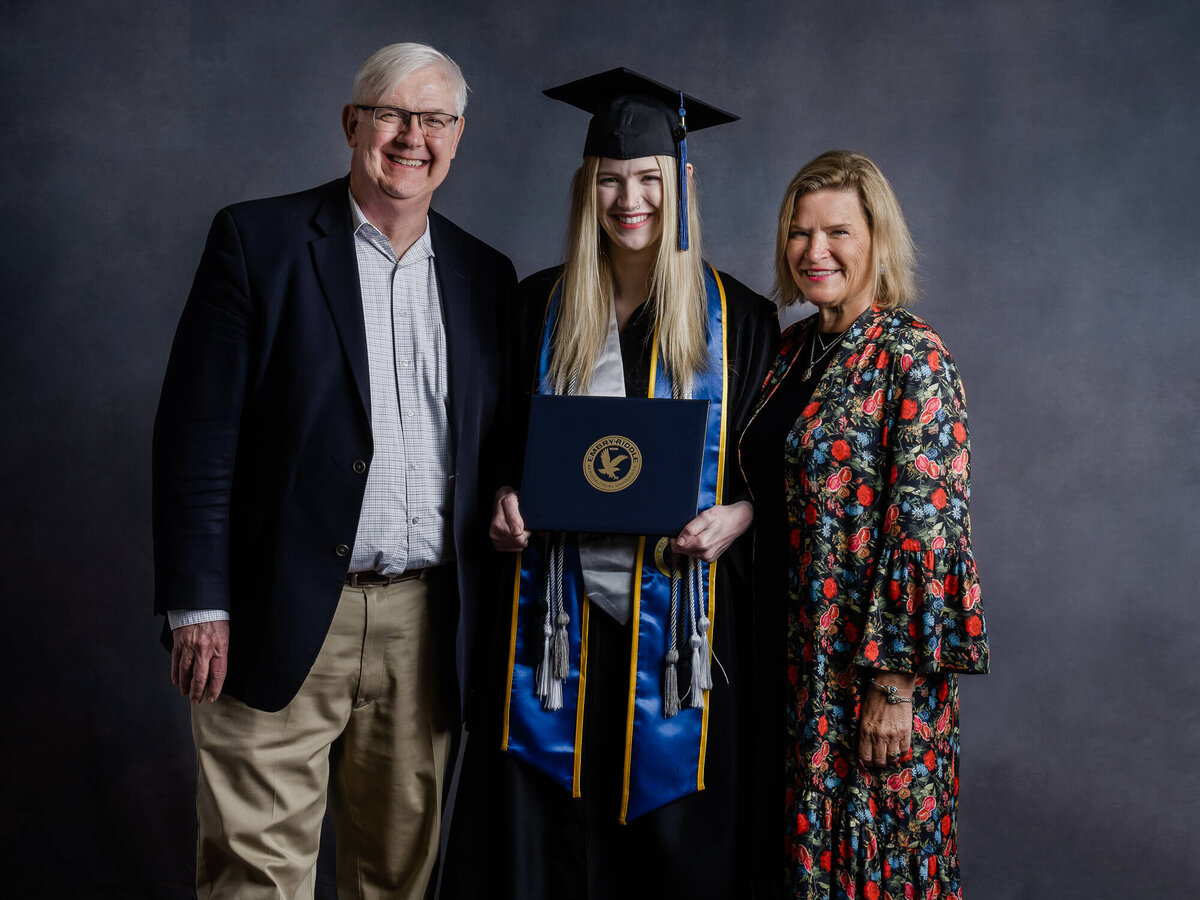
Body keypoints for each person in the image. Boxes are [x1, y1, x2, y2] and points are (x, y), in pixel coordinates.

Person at [152, 42, 515, 899]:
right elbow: (197, 435)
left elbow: (497, 442)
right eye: (391, 113)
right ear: (352, 122)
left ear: (458, 136)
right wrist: (199, 603)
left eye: (432, 120)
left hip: (425, 627)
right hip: (272, 613)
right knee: (255, 877)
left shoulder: (483, 275)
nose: (410, 138)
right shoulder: (259, 240)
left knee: (396, 878)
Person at [440, 69, 778, 899]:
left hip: (682, 637)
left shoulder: (743, 322)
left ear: (681, 187)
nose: (631, 200)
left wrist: (742, 516)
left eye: (650, 180)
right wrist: (501, 505)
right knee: (551, 840)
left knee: (672, 851)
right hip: (554, 630)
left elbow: (773, 478)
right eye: (611, 180)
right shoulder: (534, 309)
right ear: (587, 189)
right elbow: (493, 456)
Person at [739, 149, 990, 899]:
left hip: (865, 675)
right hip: (788, 659)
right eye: (799, 232)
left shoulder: (913, 357)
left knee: (870, 858)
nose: (815, 252)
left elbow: (930, 532)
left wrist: (896, 685)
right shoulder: (788, 355)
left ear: (878, 239)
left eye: (837, 232)